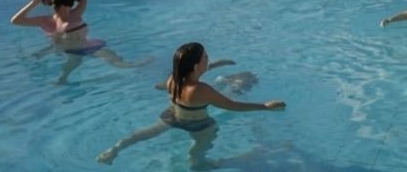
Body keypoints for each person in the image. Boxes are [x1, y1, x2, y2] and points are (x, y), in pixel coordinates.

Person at [96, 42, 284, 167]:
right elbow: (233, 105)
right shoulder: (200, 89)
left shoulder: (173, 79)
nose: (208, 60)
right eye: (206, 59)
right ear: (196, 66)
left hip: (173, 117)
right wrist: (265, 106)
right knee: (197, 157)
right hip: (199, 124)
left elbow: (164, 83)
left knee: (141, 134)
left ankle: (114, 150)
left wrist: (218, 64)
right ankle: (199, 165)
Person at [9, 0, 140, 83]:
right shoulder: (75, 14)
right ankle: (142, 64)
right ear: (70, 4)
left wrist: (38, 1)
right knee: (120, 64)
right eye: (70, 4)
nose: (69, 8)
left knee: (71, 66)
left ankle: (61, 80)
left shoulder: (48, 20)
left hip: (74, 49)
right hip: (86, 47)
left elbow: (16, 20)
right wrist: (37, 2)